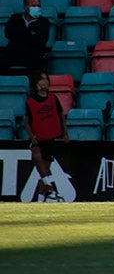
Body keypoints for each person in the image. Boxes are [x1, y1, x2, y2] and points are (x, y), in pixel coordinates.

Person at [24, 72, 69, 202]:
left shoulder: (53, 98)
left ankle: (41, 198)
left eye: (46, 80)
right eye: (41, 80)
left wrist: (65, 133)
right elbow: (26, 122)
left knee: (44, 172)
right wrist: (32, 137)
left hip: (50, 137)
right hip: (38, 137)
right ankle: (49, 187)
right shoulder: (31, 101)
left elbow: (61, 116)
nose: (45, 82)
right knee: (36, 155)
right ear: (36, 83)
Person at [1, 0, 51, 75]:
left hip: (33, 56)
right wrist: (30, 33)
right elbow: (8, 33)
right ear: (25, 6)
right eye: (33, 5)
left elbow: (40, 40)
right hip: (13, 54)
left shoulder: (44, 22)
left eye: (38, 6)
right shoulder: (14, 18)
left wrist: (19, 34)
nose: (37, 8)